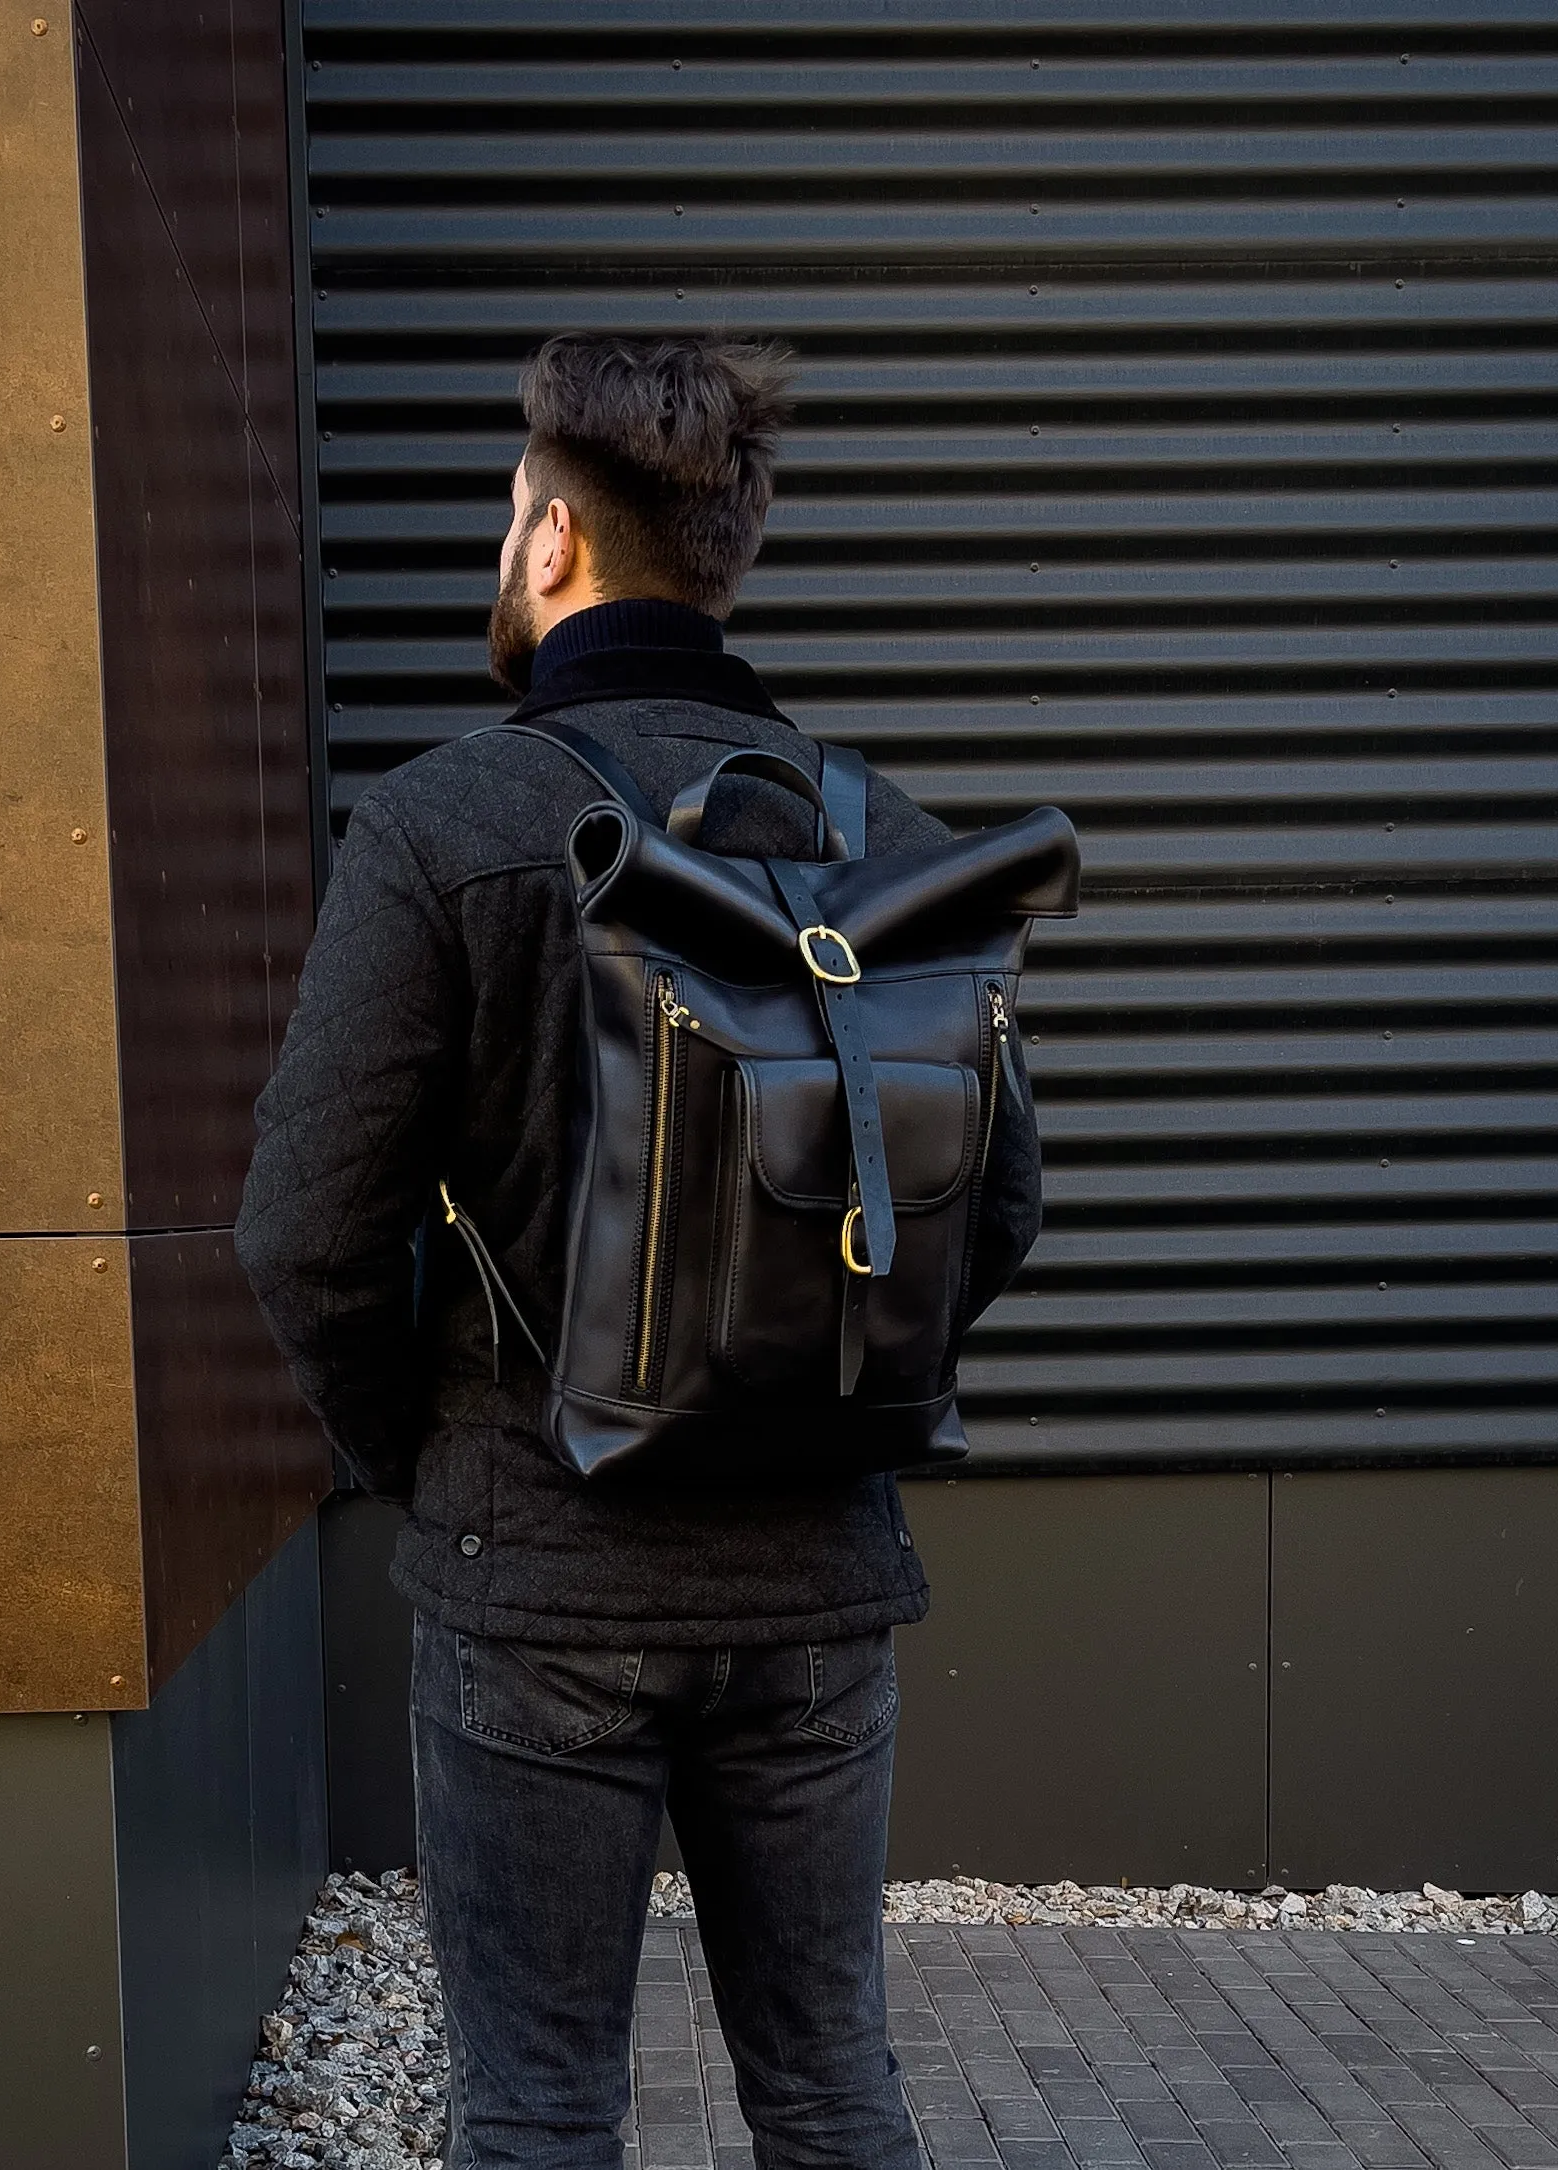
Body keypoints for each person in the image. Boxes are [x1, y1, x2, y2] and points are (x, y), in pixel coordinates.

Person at [236, 333, 1041, 2170]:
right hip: (819, 1580)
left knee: (537, 2111)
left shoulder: (443, 828)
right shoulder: (894, 851)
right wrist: (811, 1385)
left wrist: (434, 1451)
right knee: (835, 2091)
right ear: (726, 557)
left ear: (546, 545)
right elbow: (990, 1207)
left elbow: (303, 1232)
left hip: (536, 1572)